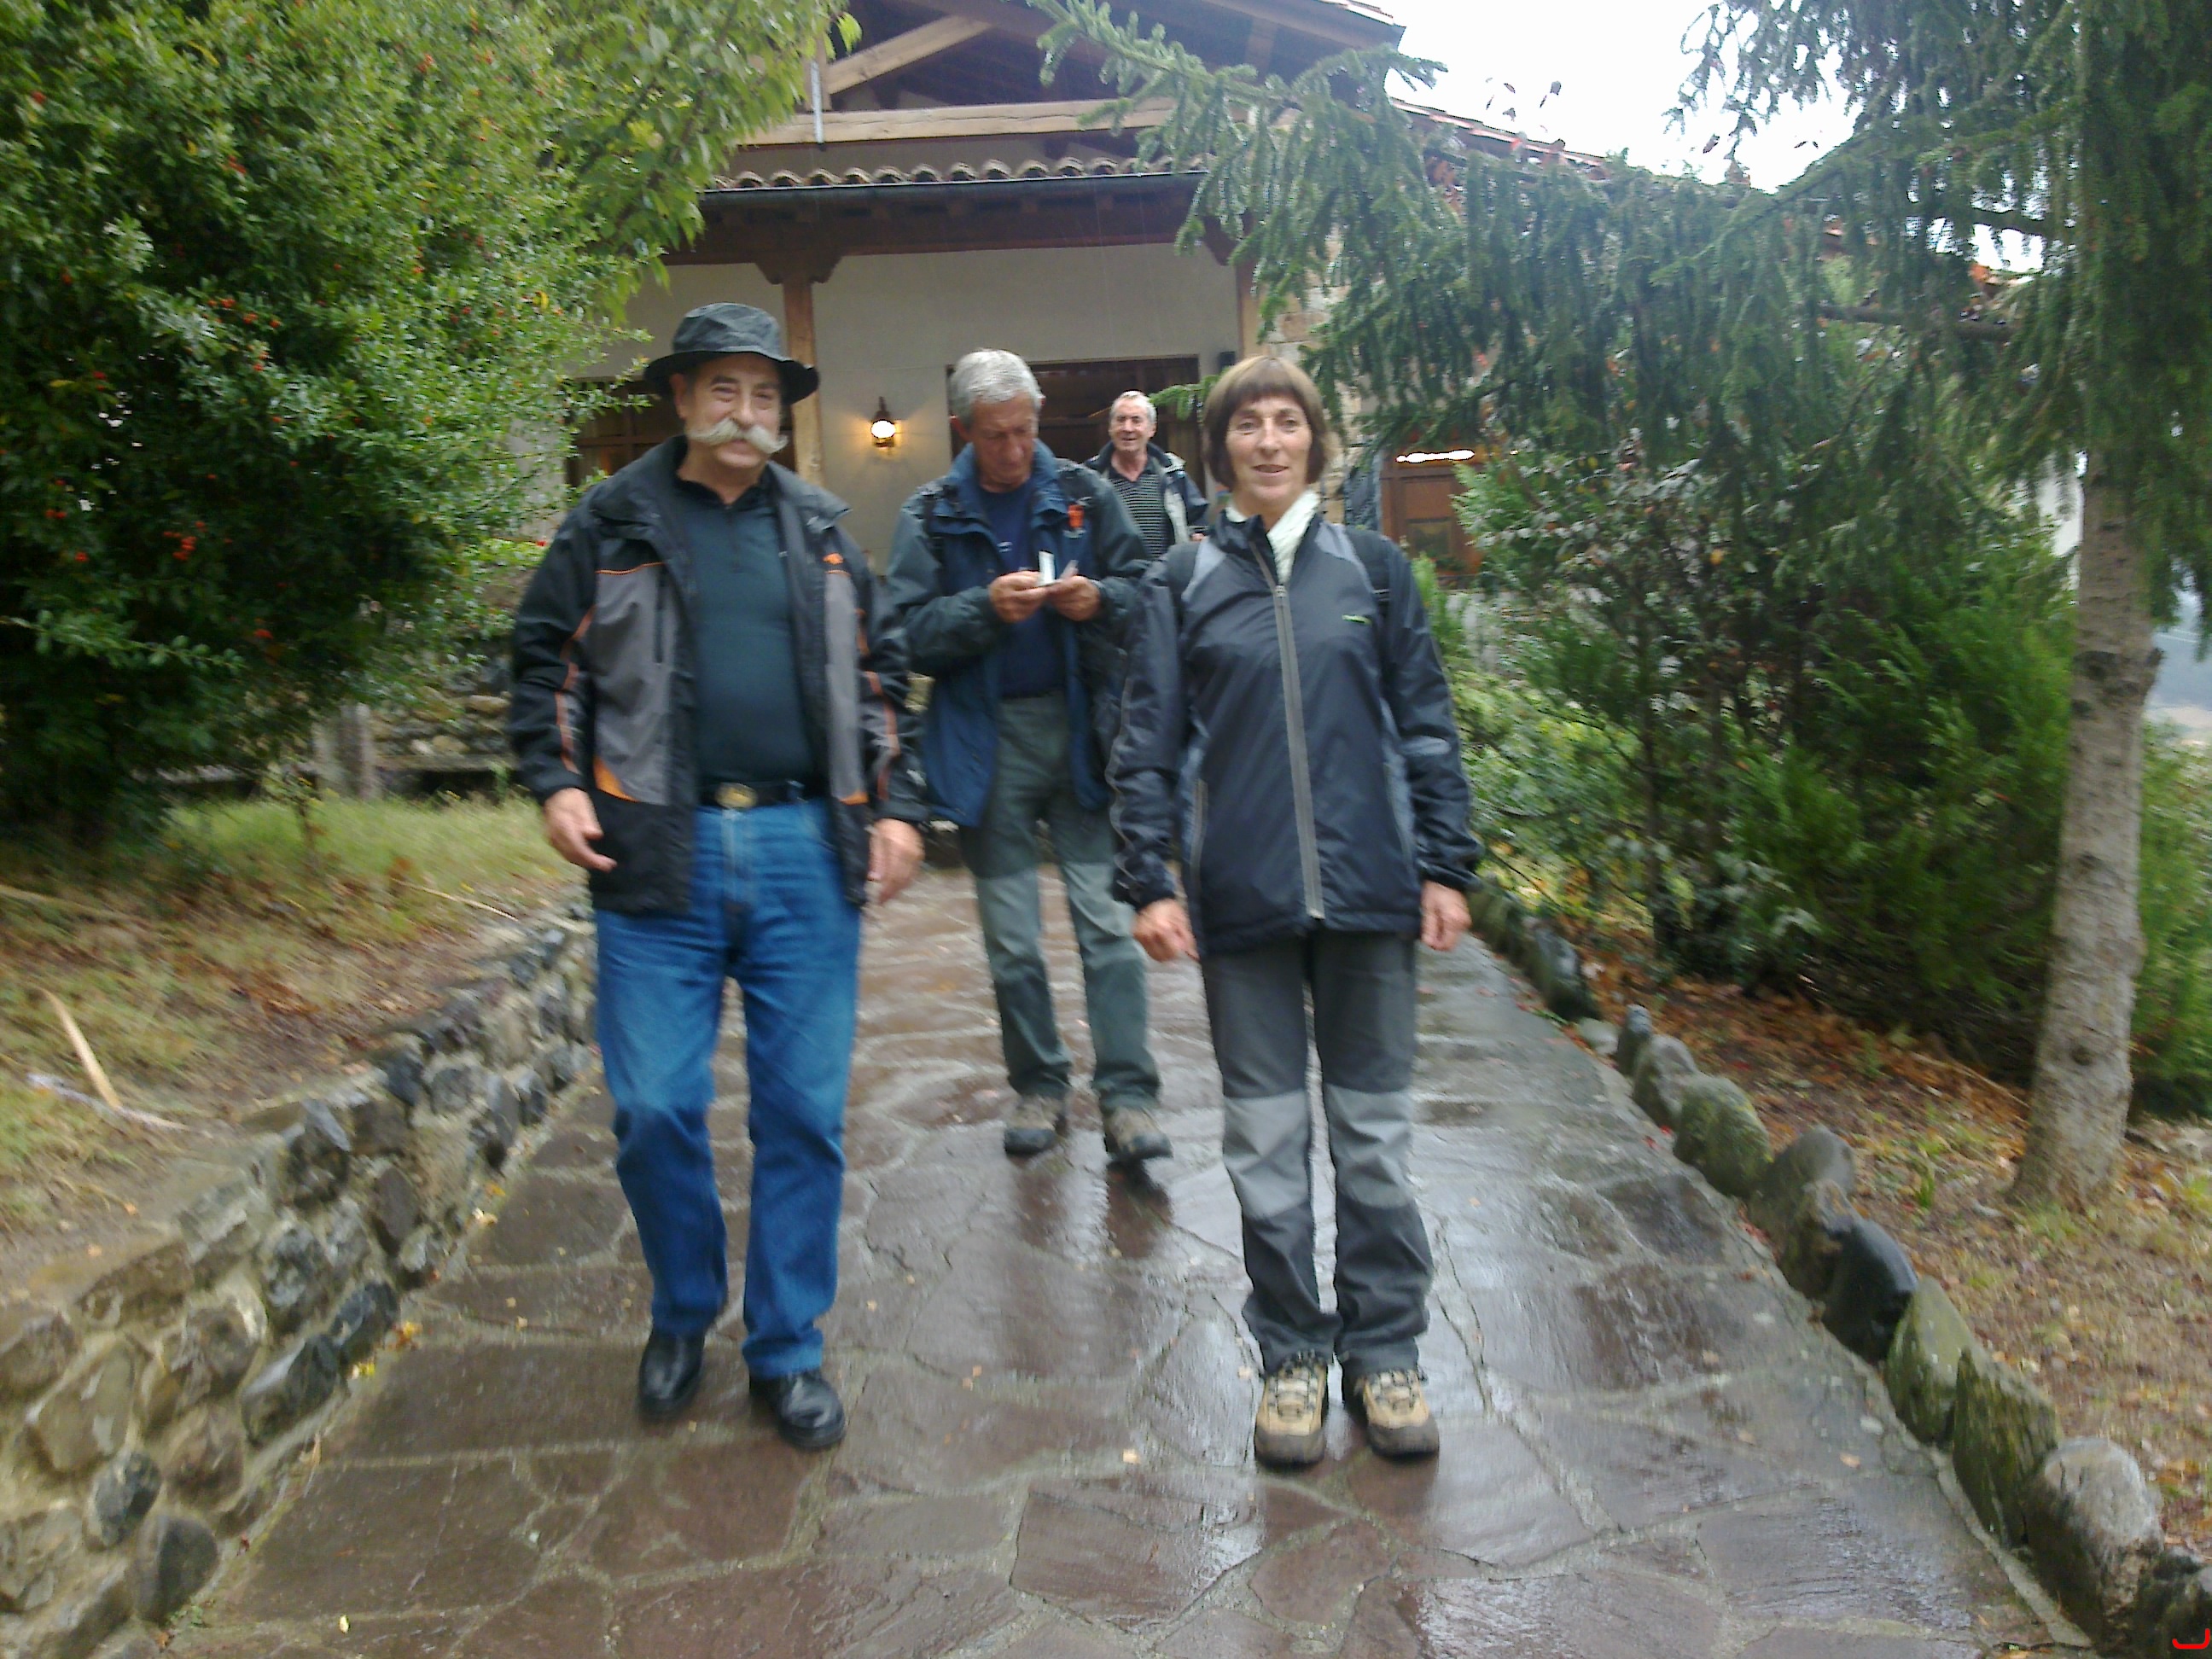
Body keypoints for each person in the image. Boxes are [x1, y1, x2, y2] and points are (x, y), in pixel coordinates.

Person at [509, 302, 927, 1449]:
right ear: (684, 398)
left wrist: (896, 805)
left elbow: (880, 675)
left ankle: (786, 1348)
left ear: (781, 414)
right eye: (725, 390)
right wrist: (554, 780)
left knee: (803, 1116)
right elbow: (543, 660)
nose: (747, 413)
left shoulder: (823, 529)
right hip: (658, 850)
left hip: (803, 851)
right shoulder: (613, 521)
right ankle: (684, 1308)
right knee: (653, 1108)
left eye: (764, 394)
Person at [1110, 354, 1479, 1467]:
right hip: (1246, 905)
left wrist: (1446, 864)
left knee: (1373, 1141)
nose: (1268, 441)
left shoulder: (1375, 571)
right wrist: (1149, 878)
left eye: (1286, 422)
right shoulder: (1181, 582)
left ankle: (1386, 1350)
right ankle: (1292, 1354)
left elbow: (1426, 722)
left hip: (1371, 898)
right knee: (1266, 1145)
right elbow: (1147, 740)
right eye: (1247, 425)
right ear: (1219, 449)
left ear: (1315, 440)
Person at [884, 350, 1168, 1165]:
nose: (1015, 449)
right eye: (996, 436)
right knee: (1012, 942)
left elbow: (1148, 591)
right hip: (987, 744)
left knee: (1108, 928)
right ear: (962, 430)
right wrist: (982, 610)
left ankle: (1129, 1097)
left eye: (1026, 430)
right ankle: (1040, 1083)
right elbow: (901, 635)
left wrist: (1099, 599)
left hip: (1081, 737)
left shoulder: (1082, 495)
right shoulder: (932, 514)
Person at [1087, 390, 1210, 562]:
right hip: (1112, 577)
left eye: (1136, 420)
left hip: (1167, 576)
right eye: (1121, 420)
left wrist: (1196, 540)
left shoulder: (1173, 474)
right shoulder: (1091, 478)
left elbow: (1199, 523)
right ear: (1110, 427)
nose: (1127, 428)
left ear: (1152, 429)